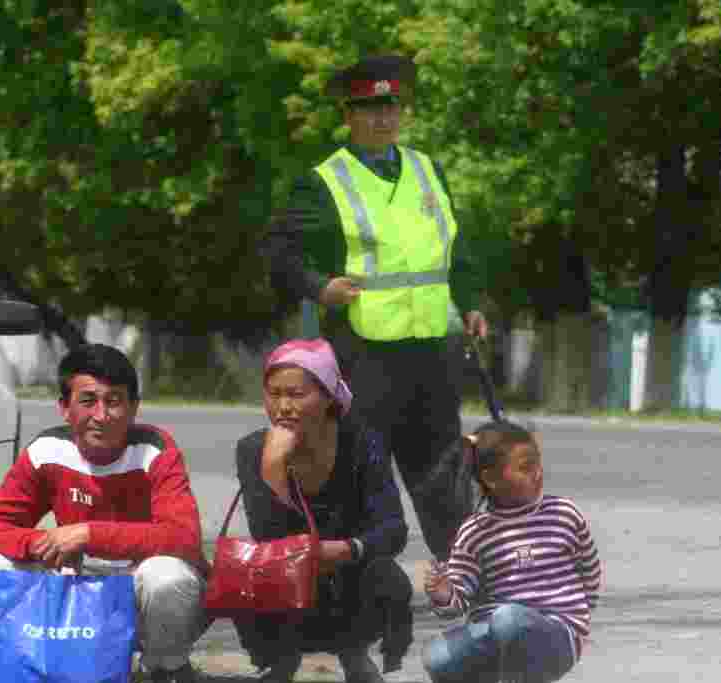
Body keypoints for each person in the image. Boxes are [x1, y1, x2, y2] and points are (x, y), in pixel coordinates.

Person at [264, 52, 489, 562]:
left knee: (443, 469)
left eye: (392, 108)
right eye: (370, 109)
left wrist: (471, 303)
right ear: (349, 115)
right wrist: (319, 287)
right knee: (363, 466)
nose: (384, 118)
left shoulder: (427, 170)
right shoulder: (324, 181)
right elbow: (280, 252)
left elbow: (454, 248)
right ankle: (360, 577)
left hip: (432, 346)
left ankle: (461, 574)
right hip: (364, 351)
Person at [0, 343, 208, 683]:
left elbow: (185, 538)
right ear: (64, 408)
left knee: (169, 577)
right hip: (76, 587)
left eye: (114, 401)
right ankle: (44, 659)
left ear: (134, 407)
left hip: (138, 592)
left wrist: (87, 534)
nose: (101, 415)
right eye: (88, 401)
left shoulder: (155, 452)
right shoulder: (46, 451)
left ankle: (165, 667)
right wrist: (43, 543)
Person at [232, 338, 413, 683]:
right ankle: (279, 661)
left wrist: (348, 549)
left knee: (388, 579)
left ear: (329, 395)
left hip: (350, 575)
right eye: (274, 394)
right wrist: (274, 469)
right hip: (288, 577)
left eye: (296, 395)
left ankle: (354, 653)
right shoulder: (253, 449)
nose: (283, 406)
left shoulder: (363, 442)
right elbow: (268, 537)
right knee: (246, 576)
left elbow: (393, 529)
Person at [421, 420, 603, 683]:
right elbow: (457, 602)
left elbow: (590, 571)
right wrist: (443, 593)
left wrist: (579, 619)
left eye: (537, 464)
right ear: (491, 479)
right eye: (526, 467)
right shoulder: (475, 531)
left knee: (509, 619)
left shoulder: (563, 514)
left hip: (557, 634)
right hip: (496, 633)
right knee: (437, 657)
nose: (537, 473)